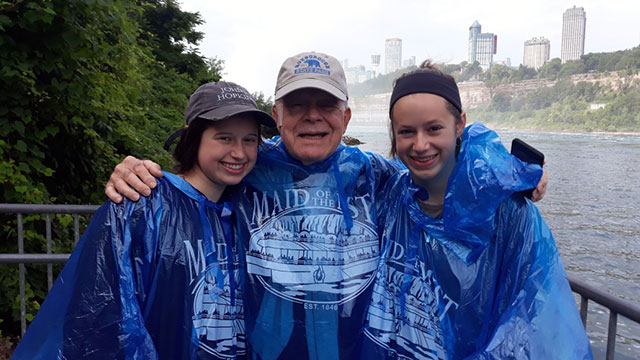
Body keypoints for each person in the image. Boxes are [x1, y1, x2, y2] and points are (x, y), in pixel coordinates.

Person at [102, 52, 549, 359]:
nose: (312, 115)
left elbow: (436, 173)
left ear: (346, 117)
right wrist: (138, 173)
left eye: (326, 104)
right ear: (276, 116)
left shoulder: (374, 177)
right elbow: (196, 185)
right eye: (297, 105)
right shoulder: (248, 167)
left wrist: (509, 175)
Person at [11, 81, 277, 359]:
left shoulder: (248, 212)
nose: (239, 153)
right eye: (224, 138)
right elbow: (100, 318)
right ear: (193, 137)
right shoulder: (141, 204)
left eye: (250, 140)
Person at [360, 62, 592, 359]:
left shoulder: (506, 210)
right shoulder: (391, 192)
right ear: (394, 134)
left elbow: (534, 317)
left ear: (459, 125)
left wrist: (514, 174)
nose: (420, 145)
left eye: (434, 128)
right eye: (407, 131)